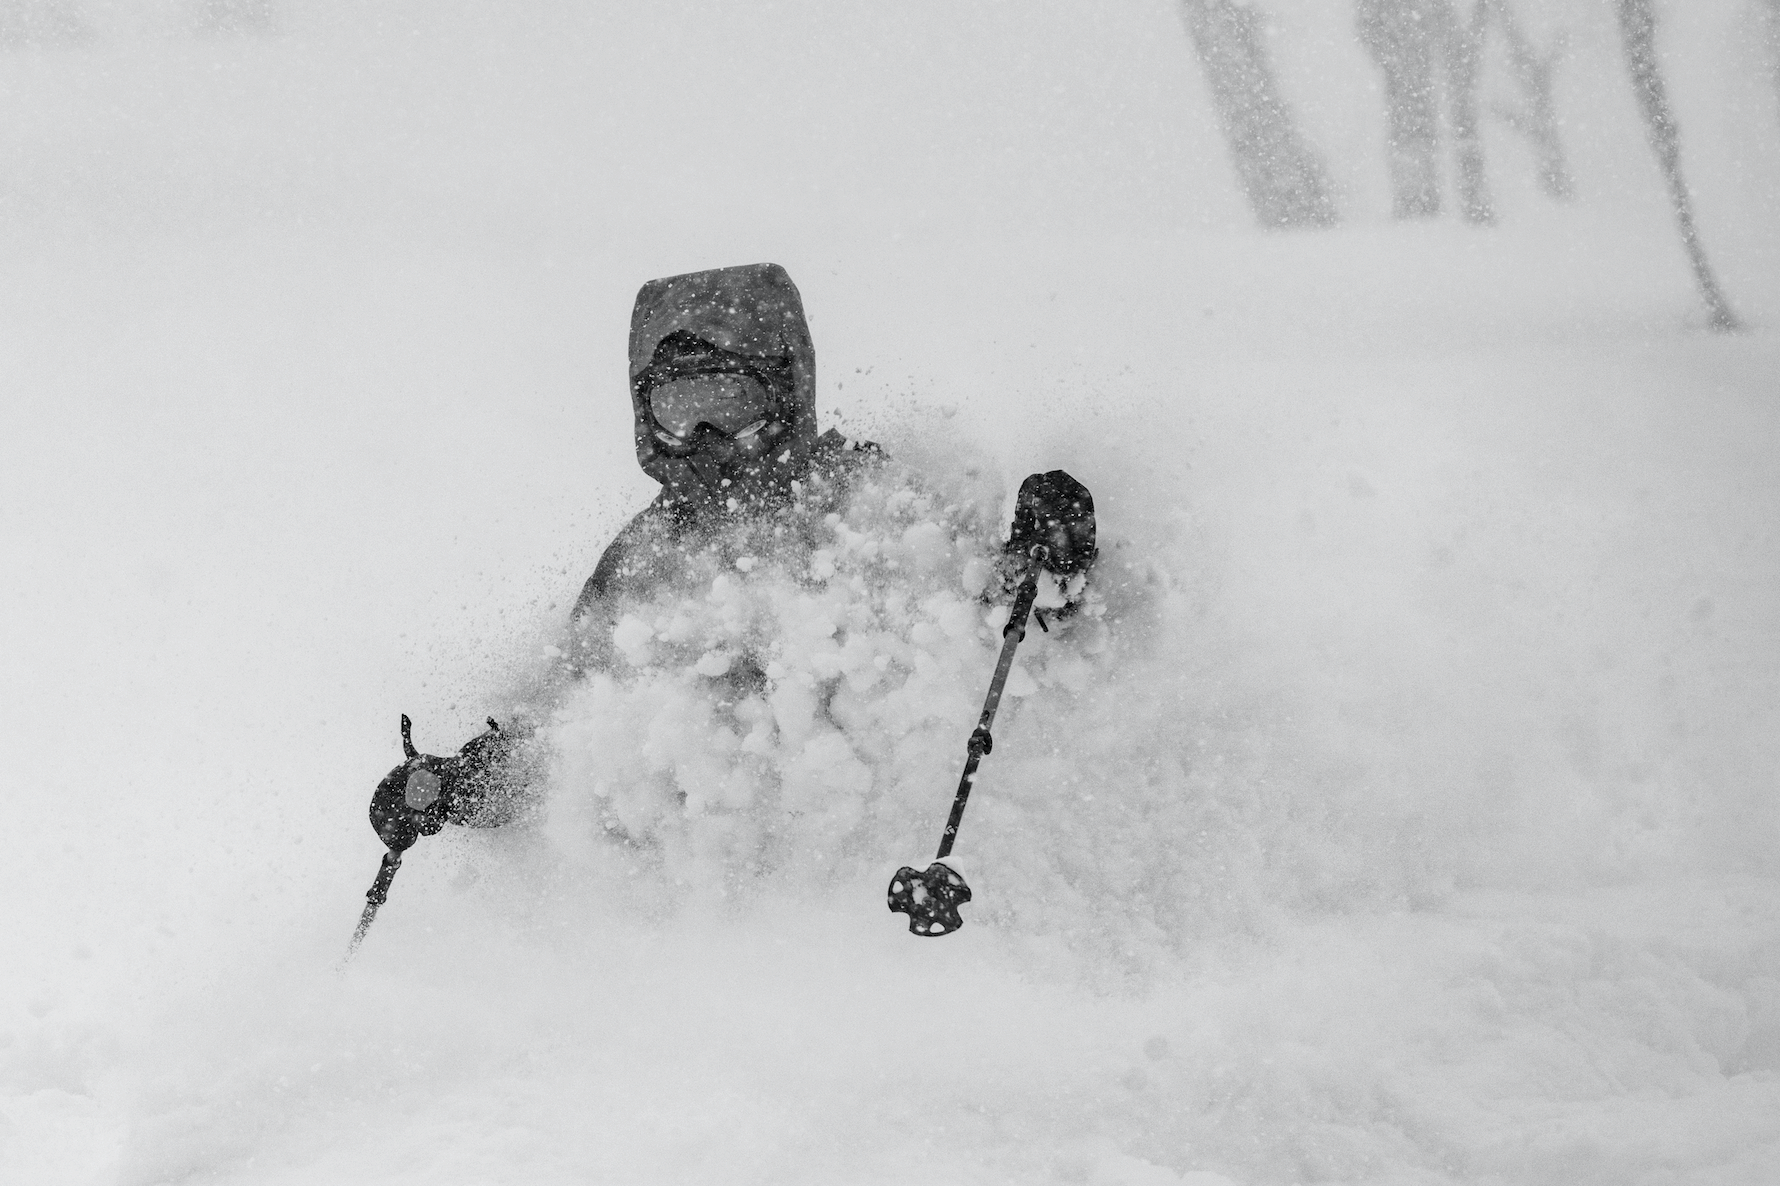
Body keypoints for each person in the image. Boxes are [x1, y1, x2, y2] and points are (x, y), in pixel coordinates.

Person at [367, 262, 1097, 856]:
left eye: (730, 404)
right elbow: (562, 737)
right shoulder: (642, 561)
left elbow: (997, 635)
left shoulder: (872, 504)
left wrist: (1050, 557)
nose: (709, 437)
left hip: (871, 879)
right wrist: (460, 783)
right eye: (680, 414)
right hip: (707, 904)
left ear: (784, 391)